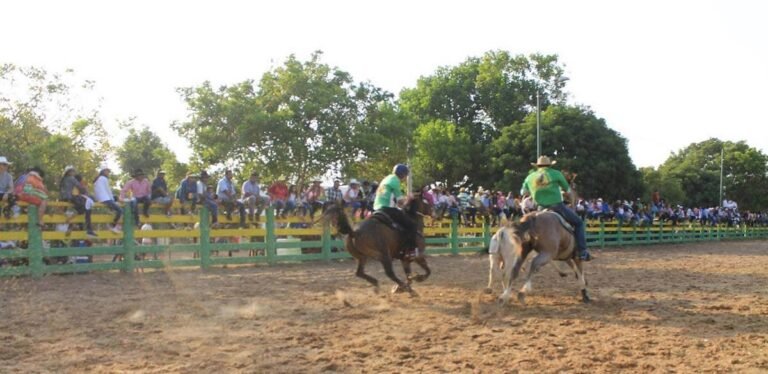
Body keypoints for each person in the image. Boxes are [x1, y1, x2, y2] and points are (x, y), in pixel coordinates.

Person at [521, 156, 592, 261]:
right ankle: (582, 251)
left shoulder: (530, 177)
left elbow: (523, 192)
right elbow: (568, 190)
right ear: (550, 165)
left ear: (537, 165)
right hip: (557, 207)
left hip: (539, 208)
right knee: (578, 223)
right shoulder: (556, 174)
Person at [373, 164, 423, 258]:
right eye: (405, 176)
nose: (404, 178)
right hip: (387, 209)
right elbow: (401, 202)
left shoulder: (387, 179)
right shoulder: (395, 181)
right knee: (412, 225)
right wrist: (409, 198)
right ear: (402, 174)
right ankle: (411, 250)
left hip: (377, 208)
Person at [59, 165, 97, 237]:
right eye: (72, 171)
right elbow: (80, 187)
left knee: (81, 209)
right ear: (69, 172)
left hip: (64, 198)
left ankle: (73, 224)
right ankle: (88, 229)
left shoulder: (63, 179)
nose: (73, 172)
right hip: (71, 197)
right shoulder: (71, 178)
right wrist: (85, 192)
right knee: (87, 205)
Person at [93, 163, 122, 233]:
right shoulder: (104, 179)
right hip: (106, 199)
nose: (108, 173)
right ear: (103, 171)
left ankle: (111, 210)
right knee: (120, 210)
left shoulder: (98, 179)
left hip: (100, 198)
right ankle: (113, 226)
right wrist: (113, 200)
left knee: (116, 199)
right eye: (107, 171)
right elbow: (108, 191)